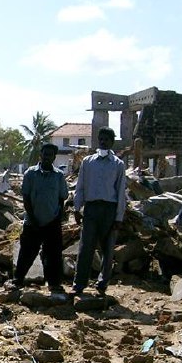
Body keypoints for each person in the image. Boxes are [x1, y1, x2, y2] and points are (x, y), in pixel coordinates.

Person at [72, 126, 127, 295]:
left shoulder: (118, 164)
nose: (103, 142)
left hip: (109, 210)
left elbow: (120, 192)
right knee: (85, 248)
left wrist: (118, 217)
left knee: (108, 249)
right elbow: (80, 187)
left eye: (107, 140)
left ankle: (102, 284)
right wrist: (76, 208)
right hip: (91, 209)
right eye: (101, 139)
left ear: (112, 142)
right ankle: (79, 285)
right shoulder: (88, 162)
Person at [12, 143, 69, 293]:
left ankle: (54, 284)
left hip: (52, 222)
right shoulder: (30, 174)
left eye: (50, 155)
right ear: (40, 155)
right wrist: (33, 218)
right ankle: (17, 280)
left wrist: (58, 219)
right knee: (27, 252)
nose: (46, 157)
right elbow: (26, 197)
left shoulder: (58, 176)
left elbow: (62, 198)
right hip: (32, 222)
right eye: (44, 154)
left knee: (53, 255)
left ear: (54, 157)